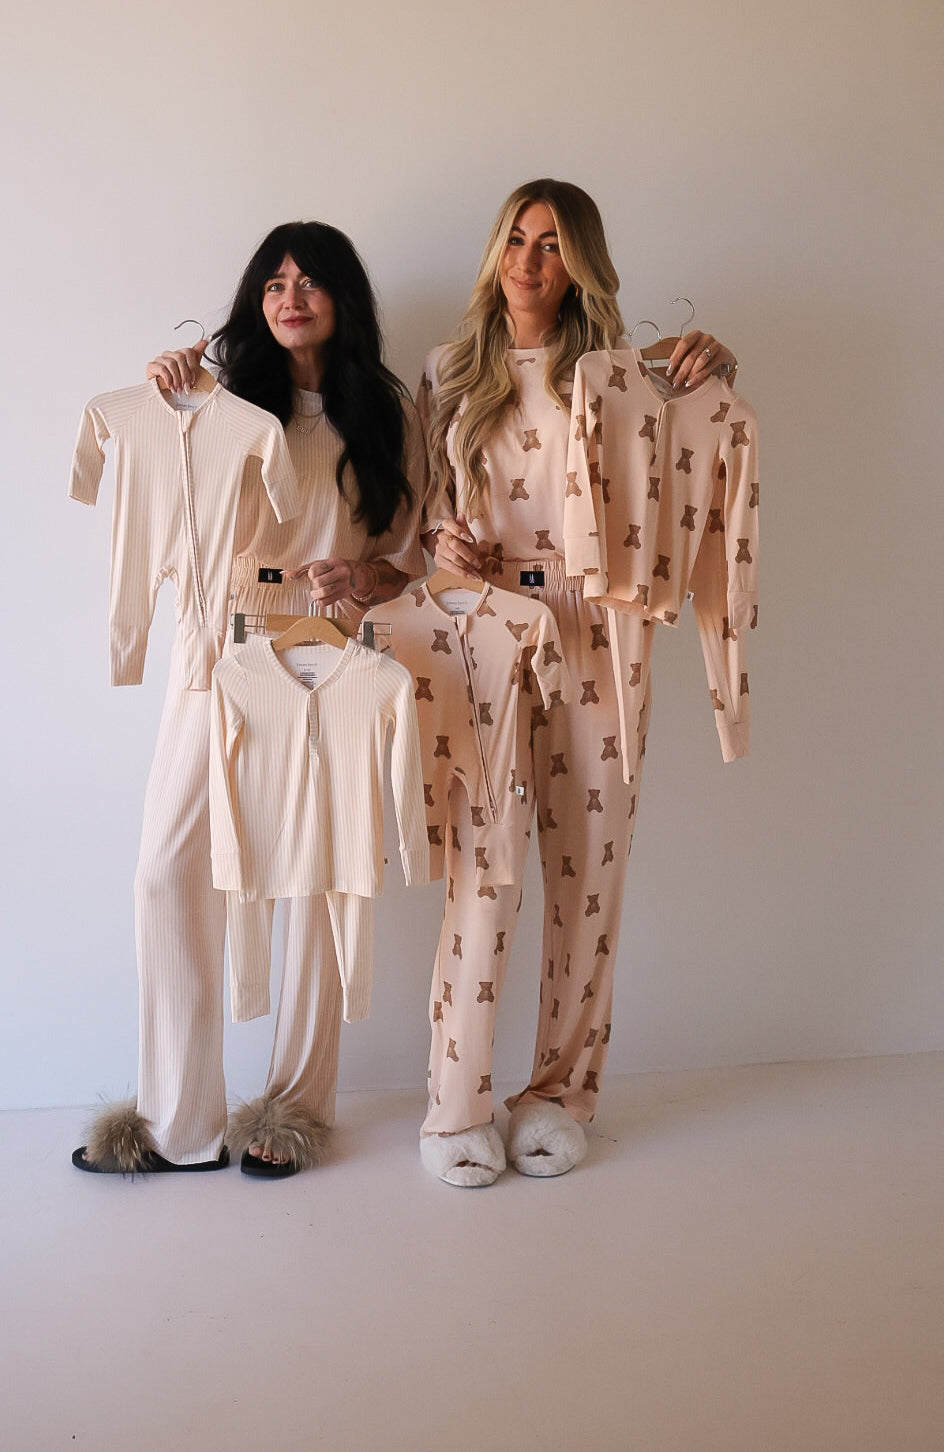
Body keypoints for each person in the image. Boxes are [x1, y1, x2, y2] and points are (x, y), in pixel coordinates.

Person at [74, 221, 425, 1177]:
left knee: (312, 879)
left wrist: (361, 578)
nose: (289, 298)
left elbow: (409, 558)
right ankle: (174, 1116)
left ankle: (296, 1108)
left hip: (326, 656)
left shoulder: (384, 415)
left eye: (309, 281)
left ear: (343, 297)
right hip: (217, 655)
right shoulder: (218, 402)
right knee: (166, 871)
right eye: (273, 283)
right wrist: (172, 396)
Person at [416, 178, 738, 1186]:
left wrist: (713, 365)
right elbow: (418, 520)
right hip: (485, 629)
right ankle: (456, 1106)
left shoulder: (624, 376)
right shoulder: (446, 373)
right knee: (484, 870)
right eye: (516, 239)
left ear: (582, 263)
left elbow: (698, 443)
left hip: (601, 627)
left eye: (552, 244)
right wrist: (442, 544)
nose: (528, 260)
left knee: (590, 873)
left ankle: (559, 1095)